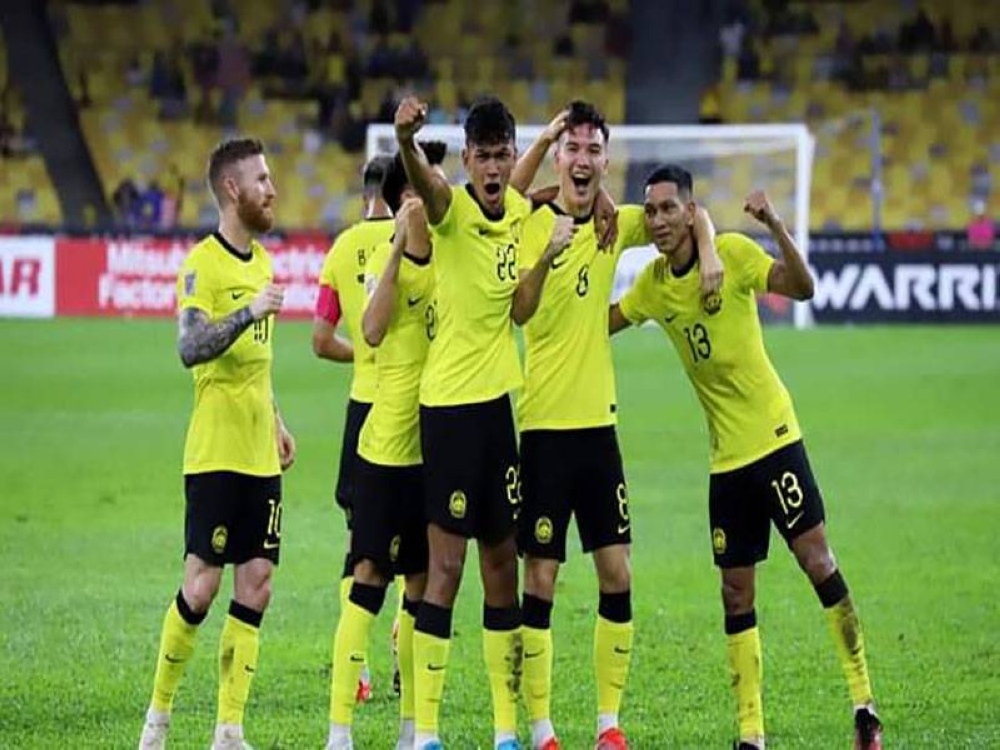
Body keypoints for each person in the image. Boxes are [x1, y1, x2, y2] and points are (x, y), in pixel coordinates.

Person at [609, 165, 883, 750]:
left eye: (667, 209)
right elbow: (600, 324)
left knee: (818, 562)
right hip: (724, 461)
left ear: (690, 211)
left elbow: (803, 287)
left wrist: (777, 225)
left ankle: (864, 703)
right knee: (736, 593)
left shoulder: (730, 254)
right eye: (649, 210)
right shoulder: (655, 286)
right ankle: (751, 734)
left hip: (776, 438)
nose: (657, 220)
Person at [512, 102, 720, 750]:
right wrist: (550, 223)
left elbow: (687, 214)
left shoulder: (620, 222)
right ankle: (543, 728)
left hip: (598, 433)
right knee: (540, 581)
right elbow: (506, 218)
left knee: (618, 575)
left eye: (592, 149)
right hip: (542, 427)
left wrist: (710, 250)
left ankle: (608, 724)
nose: (581, 158)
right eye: (571, 147)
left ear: (606, 160)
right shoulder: (531, 220)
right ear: (558, 156)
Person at [394, 94, 553, 750]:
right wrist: (407, 142)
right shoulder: (450, 210)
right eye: (481, 156)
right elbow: (429, 188)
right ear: (466, 160)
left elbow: (524, 201)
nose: (492, 168)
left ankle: (506, 732)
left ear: (511, 156)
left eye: (500, 155)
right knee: (446, 568)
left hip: (498, 416)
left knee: (502, 564)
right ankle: (426, 733)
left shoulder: (517, 209)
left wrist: (571, 192)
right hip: (449, 414)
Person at [138, 137, 296, 750]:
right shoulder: (202, 264)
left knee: (257, 583)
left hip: (259, 453)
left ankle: (229, 729)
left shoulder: (262, 263)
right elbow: (189, 348)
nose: (272, 188)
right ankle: (159, 718)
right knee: (201, 588)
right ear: (232, 189)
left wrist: (277, 418)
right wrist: (249, 312)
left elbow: (261, 361)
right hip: (215, 453)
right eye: (261, 179)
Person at [325, 145, 445, 750]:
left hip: (435, 450)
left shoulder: (452, 256)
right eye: (430, 183)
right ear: (406, 202)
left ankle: (413, 732)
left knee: (423, 588)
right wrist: (397, 245)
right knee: (368, 575)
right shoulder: (383, 261)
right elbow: (367, 331)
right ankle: (340, 732)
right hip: (382, 449)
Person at [313, 154, 396, 703]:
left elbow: (320, 339)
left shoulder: (341, 249)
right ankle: (403, 653)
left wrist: (362, 357)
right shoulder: (419, 237)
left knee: (357, 542)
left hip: (361, 409)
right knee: (422, 546)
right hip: (411, 405)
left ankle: (356, 668)